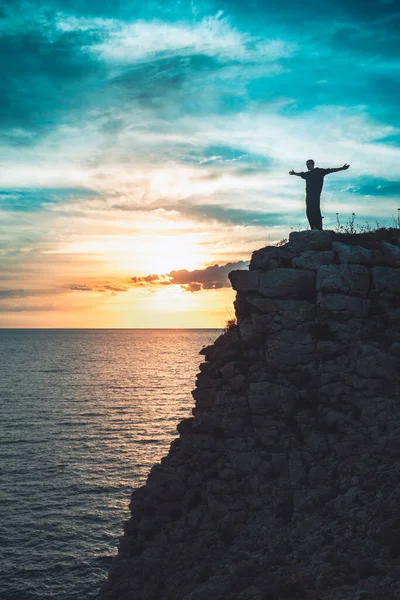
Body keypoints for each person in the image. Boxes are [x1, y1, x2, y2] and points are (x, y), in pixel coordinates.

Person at [289, 159, 350, 230]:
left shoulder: (319, 171)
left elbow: (331, 170)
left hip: (315, 196)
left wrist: (342, 168)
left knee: (316, 212)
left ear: (312, 164)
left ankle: (319, 229)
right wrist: (294, 173)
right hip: (308, 197)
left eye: (308, 164)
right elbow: (301, 174)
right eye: (306, 165)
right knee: (309, 212)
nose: (307, 166)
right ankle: (313, 228)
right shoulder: (307, 174)